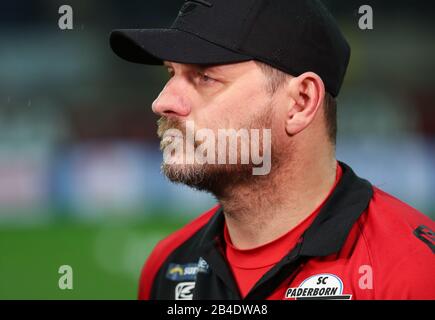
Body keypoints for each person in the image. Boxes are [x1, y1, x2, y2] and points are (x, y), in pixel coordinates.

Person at [110, 0, 435, 300]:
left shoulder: (412, 272)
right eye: (171, 73)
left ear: (300, 102)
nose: (162, 102)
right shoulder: (167, 269)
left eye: (206, 77)